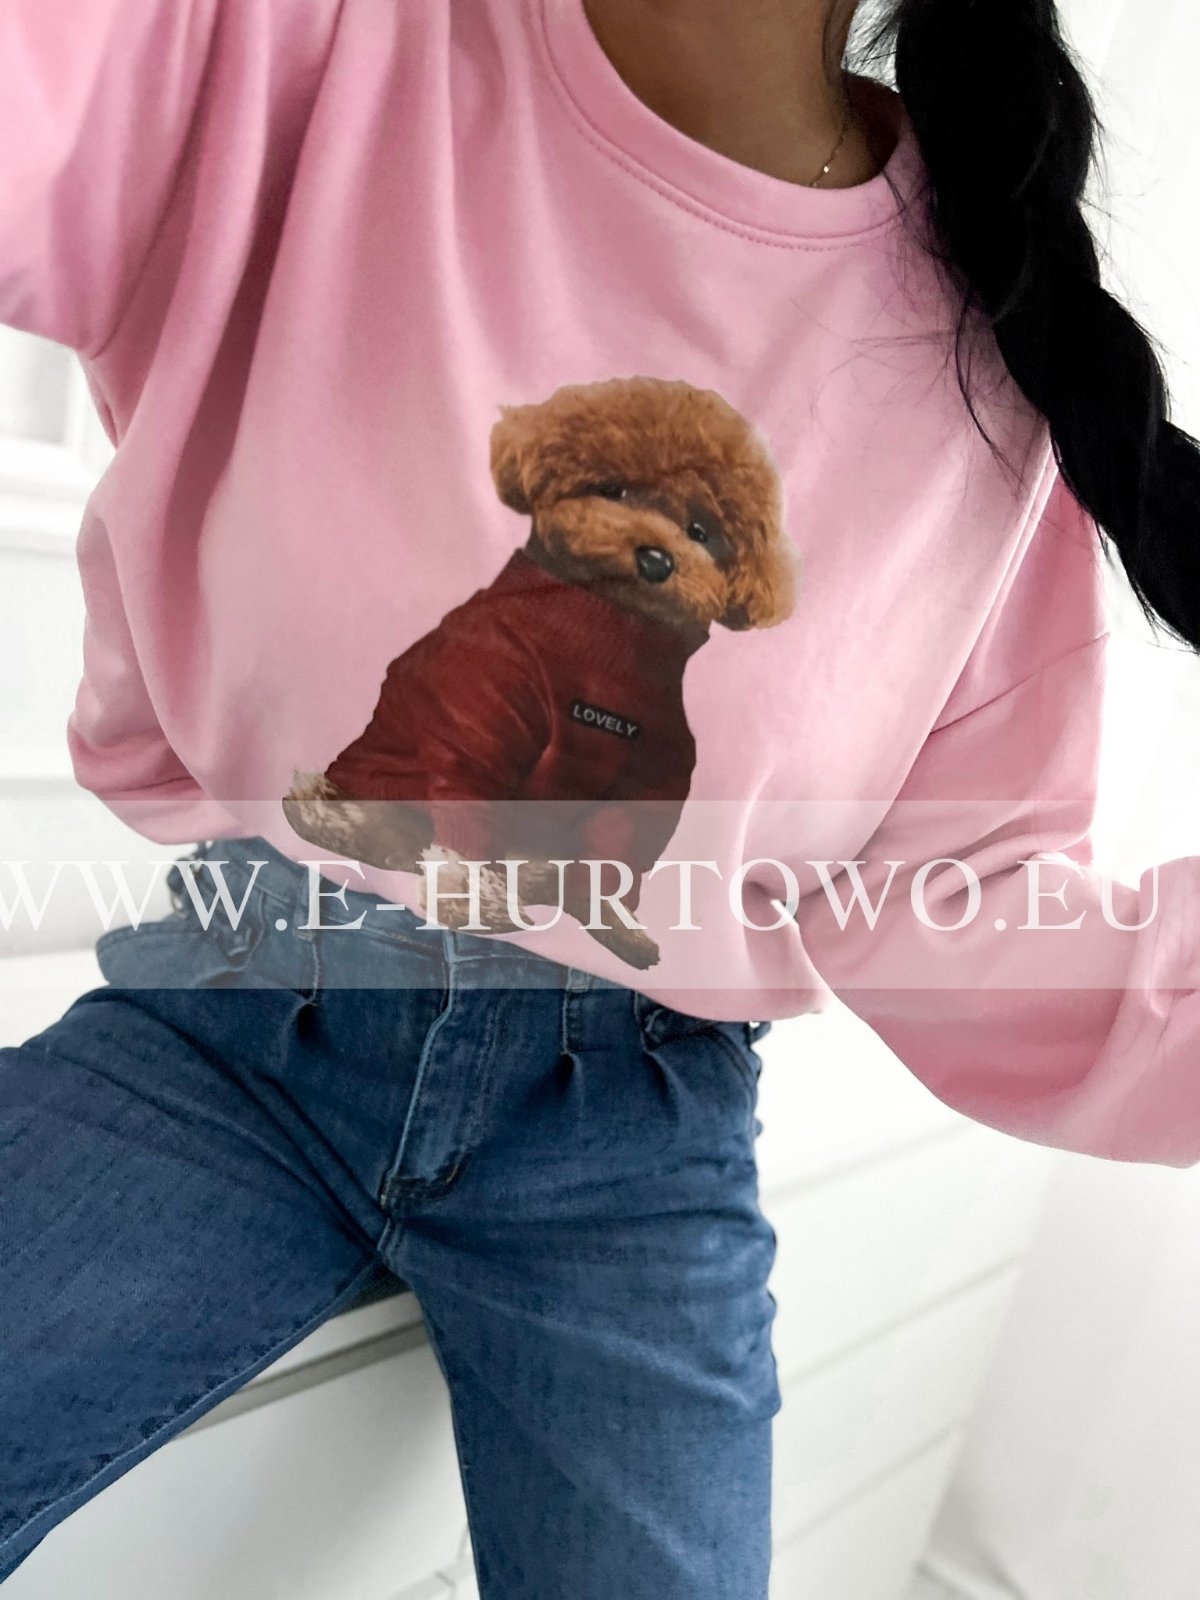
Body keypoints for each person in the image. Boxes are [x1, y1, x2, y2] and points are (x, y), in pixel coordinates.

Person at [2, 1, 1199, 1594]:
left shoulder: (993, 364)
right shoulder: (305, 50)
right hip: (232, 1016)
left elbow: (961, 889)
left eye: (687, 536)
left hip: (630, 1141)